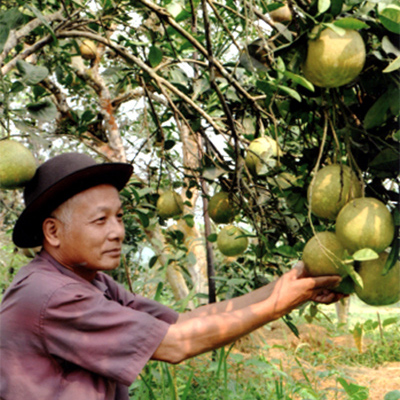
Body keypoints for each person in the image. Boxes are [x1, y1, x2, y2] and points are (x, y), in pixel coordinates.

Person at [0, 152, 344, 400]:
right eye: (100, 220)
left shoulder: (91, 283)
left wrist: (287, 285)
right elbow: (177, 344)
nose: (118, 232)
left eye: (119, 217)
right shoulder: (51, 295)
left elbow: (185, 322)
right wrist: (277, 307)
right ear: (53, 232)